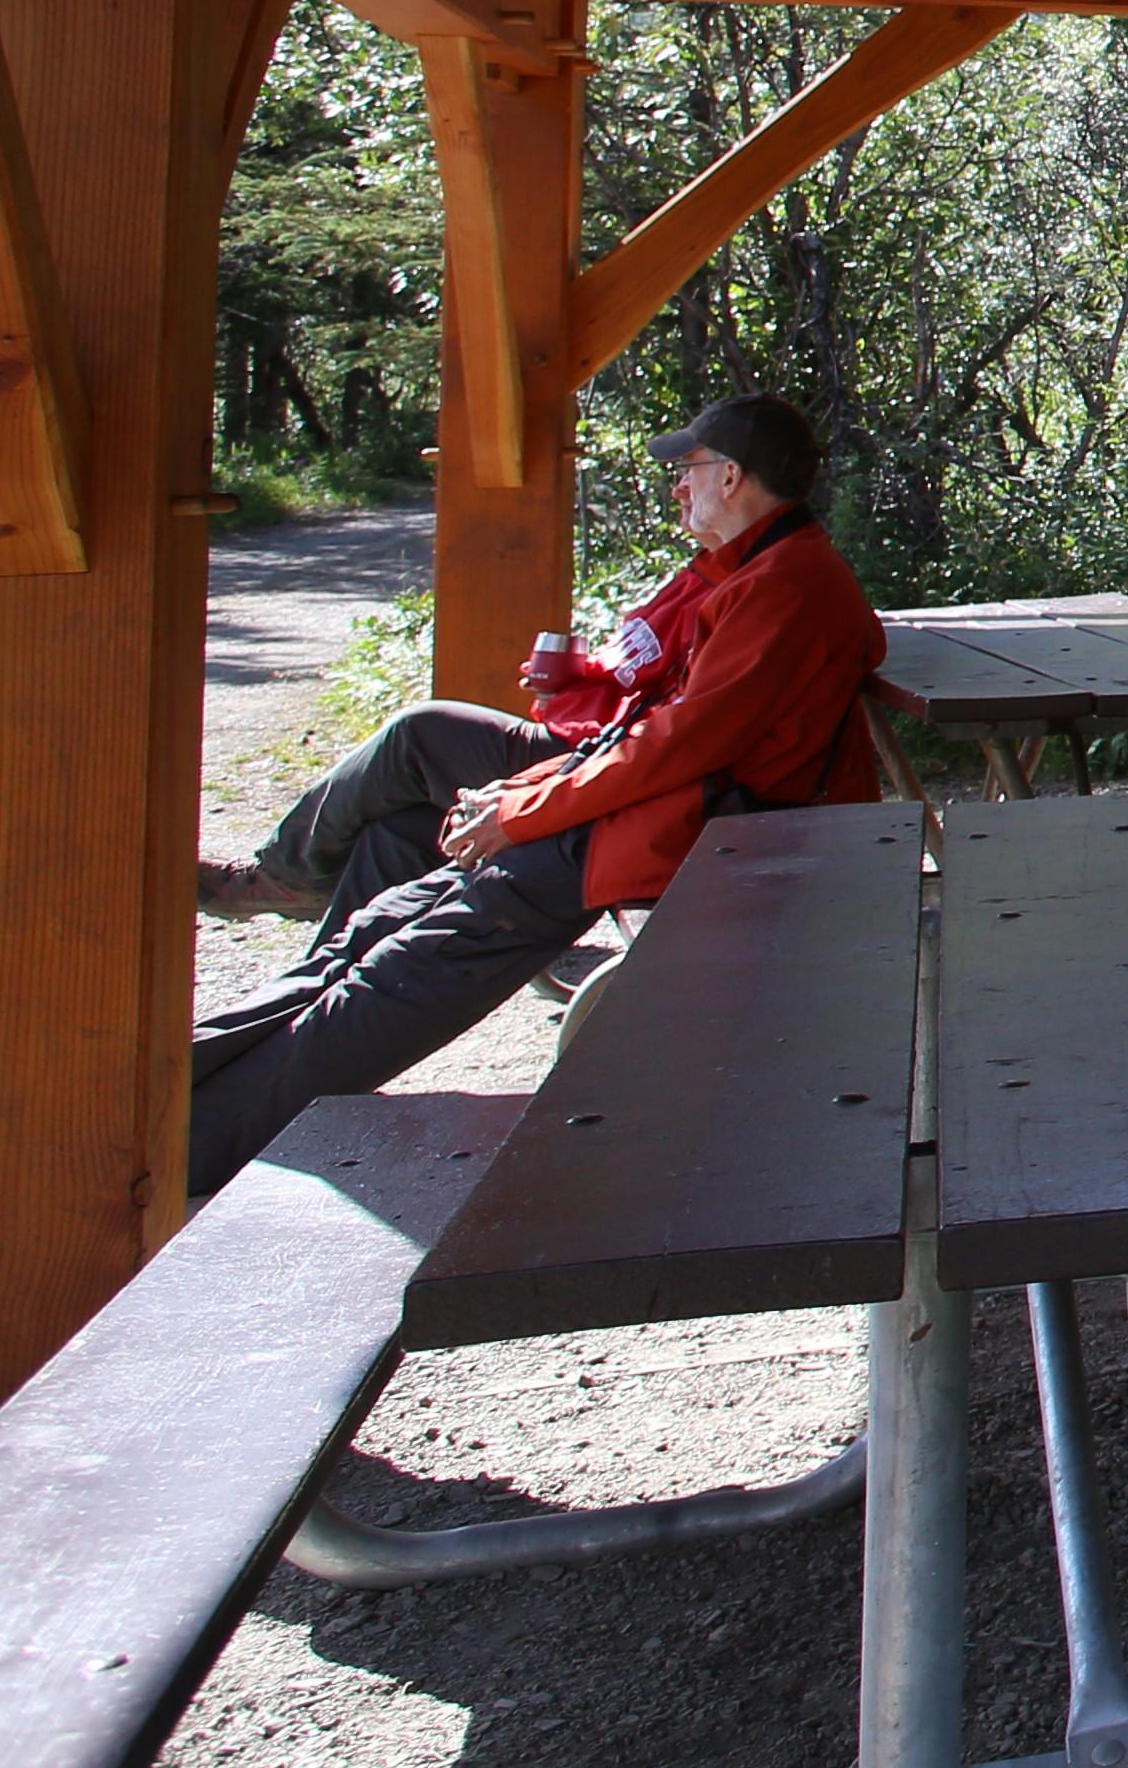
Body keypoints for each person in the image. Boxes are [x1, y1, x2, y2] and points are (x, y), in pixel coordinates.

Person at [185, 392, 887, 1199]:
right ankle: (185, 1094)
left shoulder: (785, 587)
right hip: (646, 821)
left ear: (732, 476)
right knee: (382, 924)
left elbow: (677, 747)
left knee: (409, 965)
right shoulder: (758, 571)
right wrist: (522, 792)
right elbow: (649, 729)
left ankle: (195, 1142)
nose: (676, 488)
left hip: (700, 843)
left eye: (688, 470)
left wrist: (519, 811)